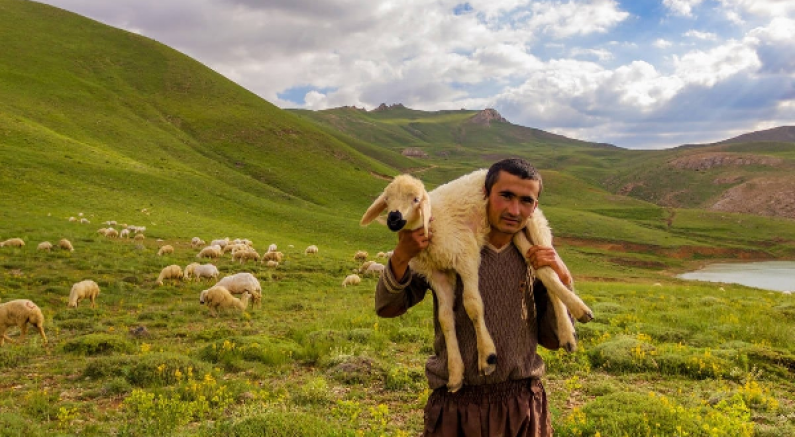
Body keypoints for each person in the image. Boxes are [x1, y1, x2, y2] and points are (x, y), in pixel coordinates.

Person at [375, 158, 573, 437]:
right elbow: (387, 307)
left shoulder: (533, 257)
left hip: (521, 404)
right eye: (505, 196)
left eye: (525, 201)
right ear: (485, 195)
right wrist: (402, 256)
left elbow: (553, 339)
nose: (514, 210)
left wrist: (562, 278)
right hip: (457, 405)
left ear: (535, 207)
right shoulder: (444, 245)